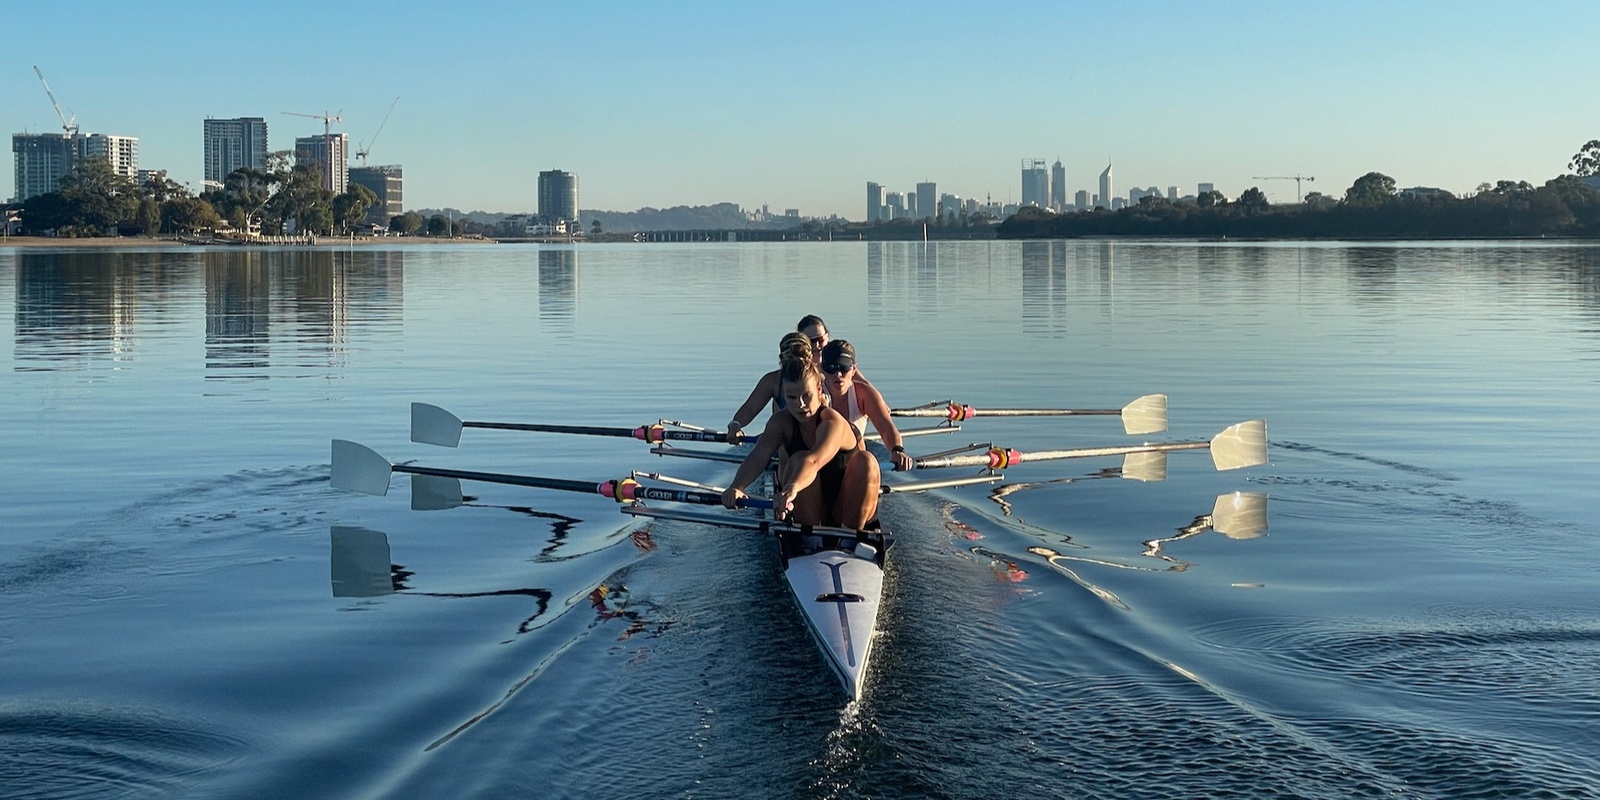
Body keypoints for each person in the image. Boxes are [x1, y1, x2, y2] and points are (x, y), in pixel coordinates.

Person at [721, 350, 879, 532]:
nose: (800, 405)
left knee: (866, 461)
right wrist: (736, 487)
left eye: (806, 396)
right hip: (809, 510)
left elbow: (814, 461)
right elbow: (759, 455)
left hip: (845, 507)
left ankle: (850, 536)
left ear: (819, 390)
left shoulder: (832, 422)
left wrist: (791, 489)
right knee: (797, 459)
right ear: (784, 396)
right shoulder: (780, 422)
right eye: (792, 398)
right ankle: (811, 538)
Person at [726, 315, 832, 441]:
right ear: (782, 359)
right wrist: (735, 425)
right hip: (783, 439)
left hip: (816, 439)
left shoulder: (826, 376)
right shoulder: (772, 381)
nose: (795, 363)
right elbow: (750, 408)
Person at [819, 339, 914, 472]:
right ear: (822, 369)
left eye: (844, 367)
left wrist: (897, 450)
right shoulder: (815, 394)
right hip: (821, 463)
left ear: (854, 369)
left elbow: (886, 427)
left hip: (853, 465)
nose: (838, 374)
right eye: (832, 368)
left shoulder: (864, 393)